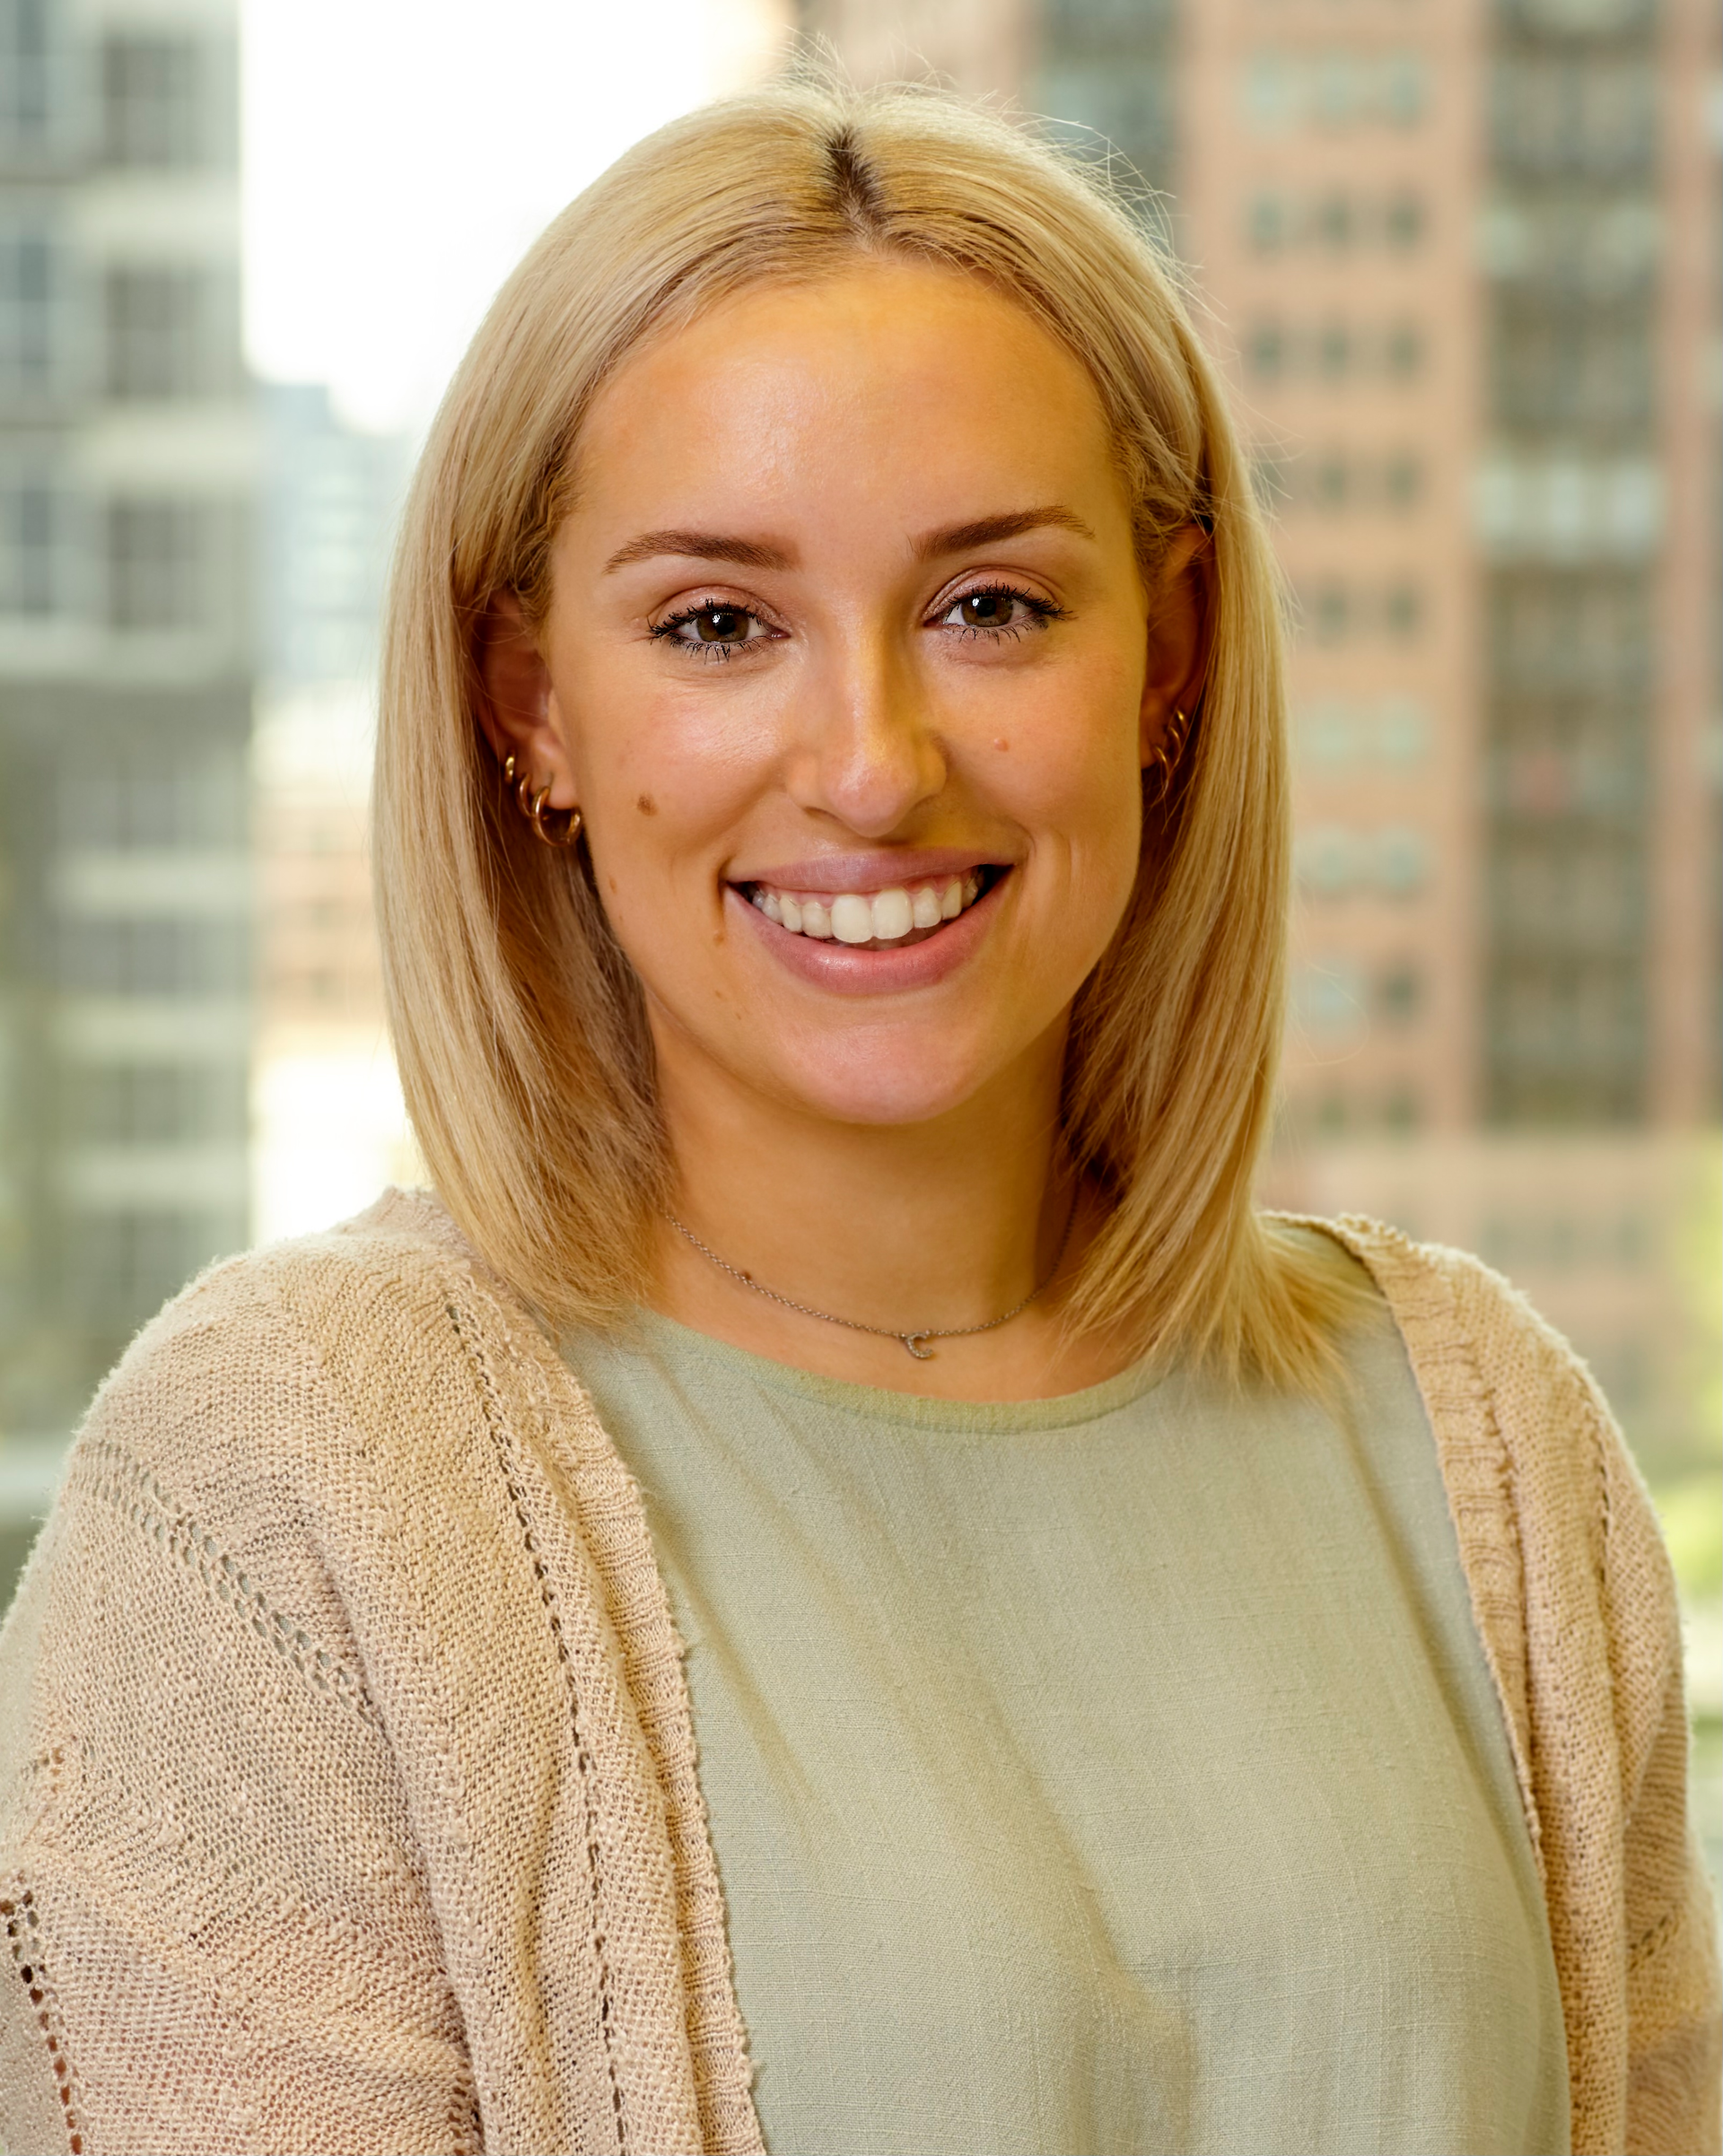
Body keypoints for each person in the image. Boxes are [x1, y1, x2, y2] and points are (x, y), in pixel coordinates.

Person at [0, 78, 1716, 2156]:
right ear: (527, 703)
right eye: (719, 623)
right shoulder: (280, 1496)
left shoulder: (1485, 1440)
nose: (875, 765)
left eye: (991, 604)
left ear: (1167, 655)